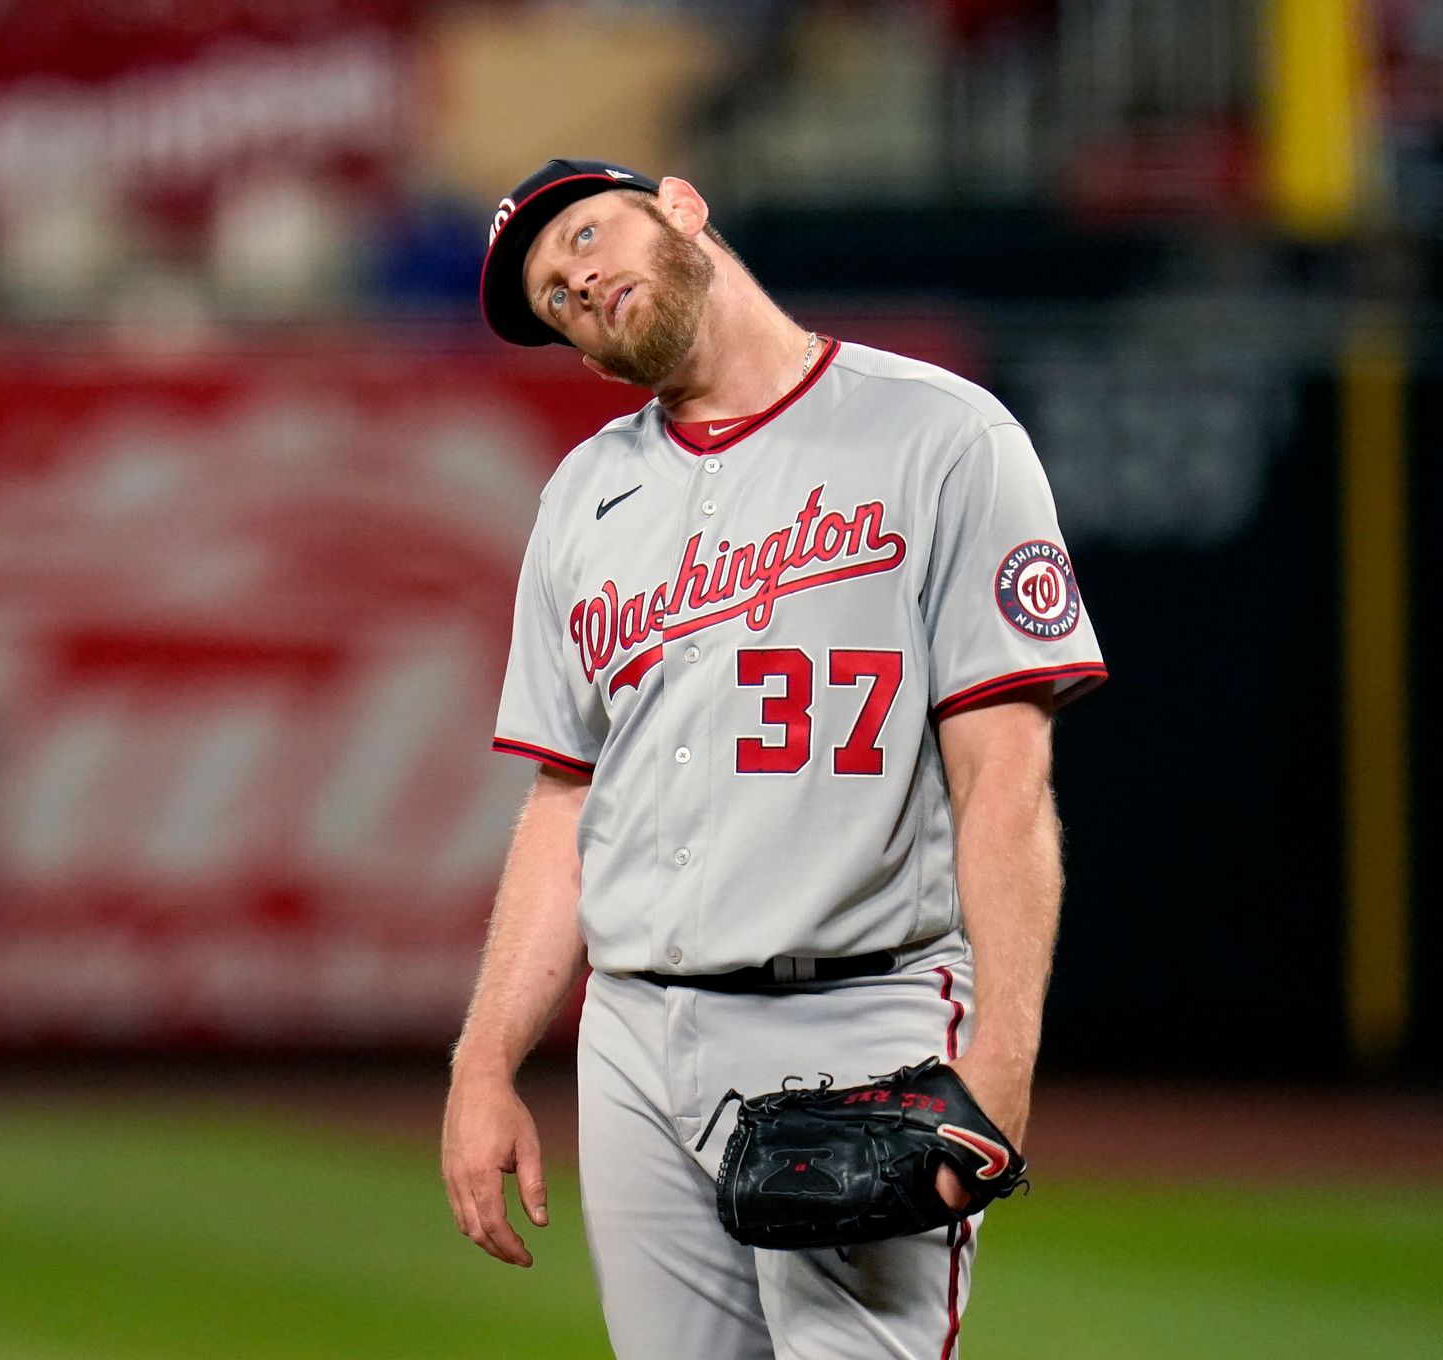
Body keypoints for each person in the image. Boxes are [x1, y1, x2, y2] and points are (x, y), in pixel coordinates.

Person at [441, 159, 1107, 1358]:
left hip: (862, 1019)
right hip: (634, 1039)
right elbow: (566, 801)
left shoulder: (942, 436)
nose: (578, 283)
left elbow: (1004, 779)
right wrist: (484, 1060)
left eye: (587, 236)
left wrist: (1001, 1061)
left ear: (683, 207)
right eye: (552, 298)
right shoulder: (582, 499)